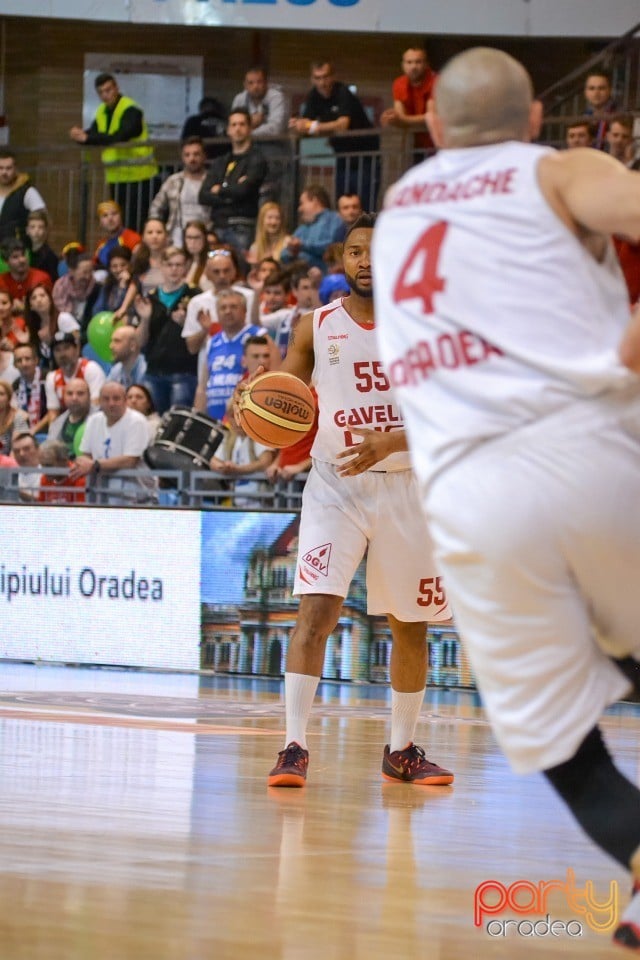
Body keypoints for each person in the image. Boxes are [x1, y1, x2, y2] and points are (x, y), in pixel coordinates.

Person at [373, 46, 640, 952]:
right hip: (590, 452)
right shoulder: (557, 168)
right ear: (532, 122)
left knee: (562, 743)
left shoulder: (395, 214)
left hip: (471, 498)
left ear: (435, 128)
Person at [237, 214, 453, 789]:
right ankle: (293, 746)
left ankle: (401, 749)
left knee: (409, 625)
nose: (364, 261)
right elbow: (286, 398)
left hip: (408, 484)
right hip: (335, 486)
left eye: (375, 252)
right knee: (316, 614)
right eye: (355, 251)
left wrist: (393, 440)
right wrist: (256, 400)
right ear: (343, 259)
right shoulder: (314, 325)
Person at [69, 73, 158, 228]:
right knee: (120, 222)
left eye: (108, 90)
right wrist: (81, 135)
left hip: (139, 176)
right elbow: (96, 133)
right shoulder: (102, 111)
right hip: (117, 177)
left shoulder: (131, 110)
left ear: (116, 88)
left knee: (137, 222)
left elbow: (121, 136)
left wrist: (88, 138)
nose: (105, 95)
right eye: (101, 92)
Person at [290, 60, 379, 206]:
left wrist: (315, 127)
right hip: (343, 156)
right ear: (312, 79)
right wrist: (297, 125)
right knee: (342, 202)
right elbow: (305, 123)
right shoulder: (314, 96)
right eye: (317, 78)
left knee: (365, 205)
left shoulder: (343, 92)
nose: (322, 82)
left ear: (333, 77)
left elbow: (342, 125)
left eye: (325, 77)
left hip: (367, 155)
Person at [132, 245, 200, 413]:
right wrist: (146, 319)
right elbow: (140, 342)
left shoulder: (195, 295)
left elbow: (203, 336)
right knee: (153, 422)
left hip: (184, 372)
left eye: (179, 265)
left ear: (185, 267)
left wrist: (187, 324)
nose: (174, 269)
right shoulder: (150, 298)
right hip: (154, 371)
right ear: (161, 266)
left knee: (177, 424)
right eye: (170, 265)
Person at [195, 289, 272, 421]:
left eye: (233, 307)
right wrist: (197, 418)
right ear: (217, 313)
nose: (228, 311)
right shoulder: (212, 341)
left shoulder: (259, 335)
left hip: (246, 418)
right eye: (223, 307)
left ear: (244, 311)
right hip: (215, 421)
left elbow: (275, 373)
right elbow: (202, 387)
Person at [198, 109, 268, 254]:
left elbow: (244, 191)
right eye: (234, 125)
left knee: (240, 269)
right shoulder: (220, 162)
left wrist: (220, 189)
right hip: (218, 226)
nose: (238, 129)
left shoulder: (256, 160)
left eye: (242, 124)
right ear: (228, 130)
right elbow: (203, 195)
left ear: (249, 129)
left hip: (242, 225)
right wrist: (232, 191)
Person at [70, 381, 150, 500]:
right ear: (99, 402)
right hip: (99, 492)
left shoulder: (137, 421)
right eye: (106, 399)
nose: (111, 403)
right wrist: (84, 463)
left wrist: (95, 465)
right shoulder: (93, 421)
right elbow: (86, 455)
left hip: (135, 495)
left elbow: (130, 460)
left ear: (125, 401)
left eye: (116, 399)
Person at [148, 137, 211, 247]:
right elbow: (156, 207)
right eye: (187, 155)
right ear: (182, 157)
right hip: (176, 235)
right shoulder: (173, 180)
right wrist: (158, 229)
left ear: (204, 156)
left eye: (196, 154)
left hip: (205, 233)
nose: (192, 159)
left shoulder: (212, 180)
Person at [380, 46, 437, 155]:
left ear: (426, 64)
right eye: (409, 62)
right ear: (403, 65)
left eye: (418, 62)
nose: (413, 66)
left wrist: (401, 119)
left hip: (440, 143)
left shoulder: (436, 81)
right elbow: (400, 117)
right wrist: (392, 117)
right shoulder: (399, 83)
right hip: (413, 146)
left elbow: (431, 117)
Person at [45, 330, 106, 426]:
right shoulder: (52, 378)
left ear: (77, 349)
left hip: (92, 424)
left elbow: (96, 406)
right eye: (57, 350)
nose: (62, 354)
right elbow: (53, 413)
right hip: (67, 427)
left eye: (66, 348)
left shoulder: (90, 369)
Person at [280, 186, 345, 274]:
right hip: (300, 278)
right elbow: (283, 255)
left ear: (314, 201)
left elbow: (330, 248)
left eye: (302, 203)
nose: (299, 209)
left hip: (325, 277)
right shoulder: (302, 228)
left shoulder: (335, 220)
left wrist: (302, 246)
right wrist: (292, 253)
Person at [0, 150, 47, 244]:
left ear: (15, 169)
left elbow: (42, 217)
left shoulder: (27, 192)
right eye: (0, 168)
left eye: (8, 168)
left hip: (16, 249)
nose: (4, 172)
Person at [0, 238, 51, 312]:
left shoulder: (42, 278)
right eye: (15, 257)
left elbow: (51, 308)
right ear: (6, 262)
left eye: (23, 255)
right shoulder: (1, 281)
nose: (22, 260)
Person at [48, 377, 93, 458]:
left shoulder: (101, 420)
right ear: (64, 397)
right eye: (69, 393)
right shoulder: (57, 423)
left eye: (80, 393)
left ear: (89, 396)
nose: (74, 398)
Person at [93, 200, 142, 271]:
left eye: (114, 214)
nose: (110, 218)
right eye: (105, 215)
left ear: (121, 217)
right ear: (100, 222)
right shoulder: (101, 245)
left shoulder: (134, 238)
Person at [12, 342, 49, 435]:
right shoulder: (15, 386)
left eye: (27, 359)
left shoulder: (47, 378)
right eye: (19, 360)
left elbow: (55, 410)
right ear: (15, 365)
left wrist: (34, 430)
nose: (24, 364)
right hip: (25, 433)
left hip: (48, 431)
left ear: (36, 360)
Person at [37, 439, 86, 504]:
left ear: (64, 460)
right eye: (42, 465)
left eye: (48, 465)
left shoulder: (79, 478)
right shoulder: (45, 479)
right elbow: (41, 507)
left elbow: (79, 511)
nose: (44, 470)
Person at [583, 69, 617, 150]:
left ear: (610, 90)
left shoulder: (620, 115)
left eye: (601, 88)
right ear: (586, 92)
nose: (596, 93)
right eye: (591, 88)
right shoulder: (583, 116)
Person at [106, 325, 147, 390]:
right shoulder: (116, 369)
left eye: (117, 341)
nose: (111, 346)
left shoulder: (145, 370)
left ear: (132, 346)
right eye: (112, 341)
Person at [25, 211, 58, 284]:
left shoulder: (50, 256)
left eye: (40, 227)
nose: (36, 231)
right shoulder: (24, 252)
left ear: (45, 230)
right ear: (27, 230)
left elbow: (52, 281)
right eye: (32, 227)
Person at [0, 379, 28, 457]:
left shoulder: (17, 418)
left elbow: (18, 450)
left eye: (1, 394)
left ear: (9, 398)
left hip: (9, 465)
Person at [10, 431, 41, 501]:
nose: (21, 454)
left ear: (38, 450)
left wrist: (18, 492)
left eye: (26, 449)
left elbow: (45, 503)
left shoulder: (48, 475)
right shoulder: (10, 475)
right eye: (16, 451)